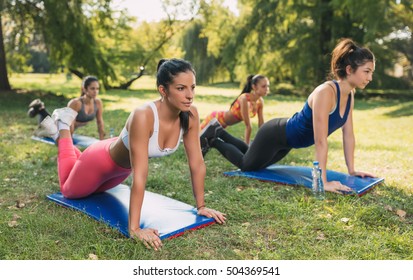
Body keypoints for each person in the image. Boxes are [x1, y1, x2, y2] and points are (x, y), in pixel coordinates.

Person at [37, 58, 226, 250]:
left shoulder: (190, 115)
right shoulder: (144, 115)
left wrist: (201, 206)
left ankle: (60, 135)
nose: (189, 95)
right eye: (181, 88)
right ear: (163, 90)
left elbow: (197, 163)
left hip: (119, 173)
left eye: (192, 87)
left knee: (93, 189)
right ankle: (62, 128)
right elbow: (141, 175)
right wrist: (134, 228)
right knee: (69, 191)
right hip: (100, 161)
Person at [201, 38, 376, 194]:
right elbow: (321, 140)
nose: (370, 78)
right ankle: (215, 138)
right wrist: (322, 181)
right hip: (275, 134)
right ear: (349, 69)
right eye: (366, 71)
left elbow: (348, 135)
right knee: (247, 165)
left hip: (288, 143)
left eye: (371, 73)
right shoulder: (326, 92)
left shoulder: (350, 95)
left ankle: (219, 131)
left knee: (255, 161)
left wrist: (351, 170)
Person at [199, 74, 269, 147]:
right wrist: (247, 147)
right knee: (197, 136)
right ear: (254, 87)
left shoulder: (260, 102)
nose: (267, 89)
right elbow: (248, 126)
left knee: (207, 141)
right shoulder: (244, 99)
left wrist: (266, 139)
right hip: (216, 118)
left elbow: (261, 125)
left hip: (224, 125)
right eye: (264, 86)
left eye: (268, 86)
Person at [28, 75, 106, 140]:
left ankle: (40, 109)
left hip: (65, 127)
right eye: (92, 88)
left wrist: (102, 142)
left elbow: (100, 122)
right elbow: (69, 125)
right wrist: (69, 145)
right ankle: (40, 111)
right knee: (41, 133)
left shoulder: (98, 103)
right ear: (84, 89)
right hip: (60, 128)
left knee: (53, 125)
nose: (95, 91)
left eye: (97, 88)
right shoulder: (76, 103)